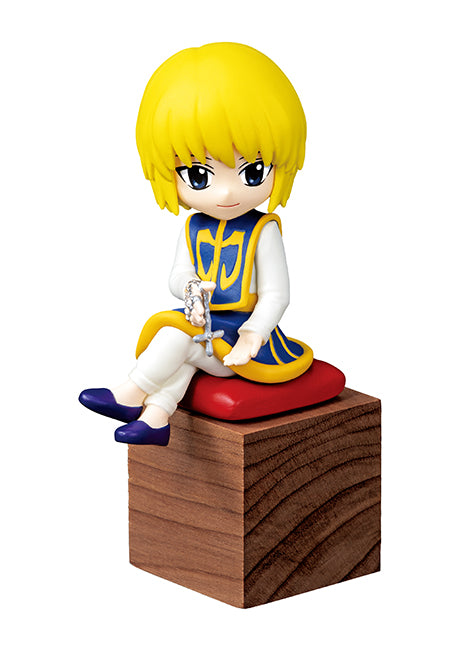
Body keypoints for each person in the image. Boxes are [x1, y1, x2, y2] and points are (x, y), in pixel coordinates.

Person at [79, 42, 313, 445]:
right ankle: (156, 418)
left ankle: (130, 392)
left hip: (246, 341)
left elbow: (277, 295)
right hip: (206, 326)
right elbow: (178, 274)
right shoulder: (193, 228)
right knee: (185, 346)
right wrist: (190, 288)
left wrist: (254, 334)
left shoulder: (264, 231)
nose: (227, 192)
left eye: (253, 170)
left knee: (178, 338)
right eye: (200, 176)